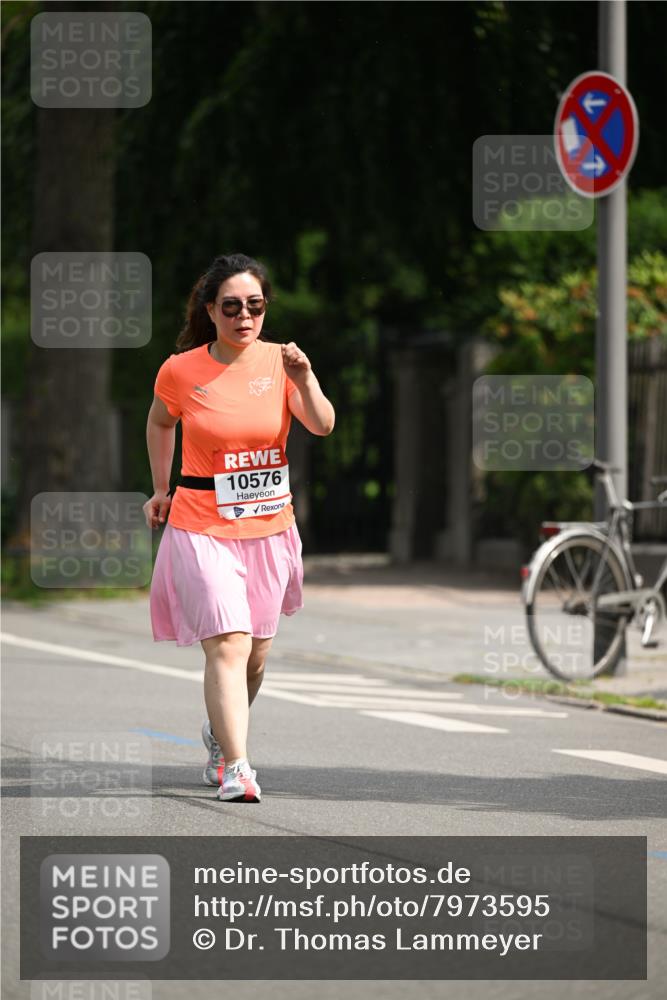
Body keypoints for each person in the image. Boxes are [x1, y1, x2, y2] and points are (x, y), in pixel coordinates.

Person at [143, 253, 335, 803]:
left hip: (269, 528)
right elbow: (160, 420)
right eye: (231, 307)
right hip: (201, 524)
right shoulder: (180, 370)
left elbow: (322, 425)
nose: (244, 316)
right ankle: (237, 767)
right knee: (228, 644)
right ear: (210, 310)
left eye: (255, 305)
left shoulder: (283, 362)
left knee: (255, 656)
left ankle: (219, 734)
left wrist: (305, 378)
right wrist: (161, 487)